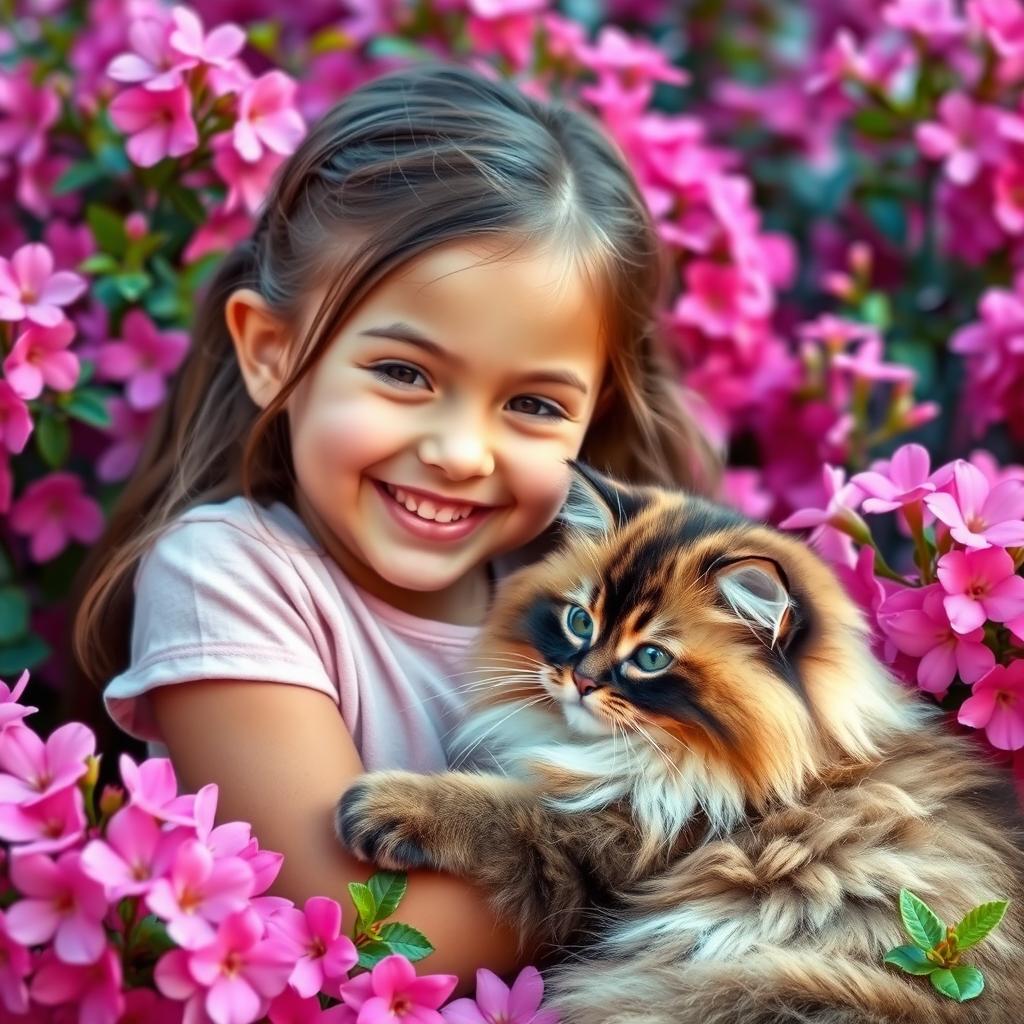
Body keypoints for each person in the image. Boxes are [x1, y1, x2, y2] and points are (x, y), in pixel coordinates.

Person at [69, 61, 720, 987]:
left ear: (594, 415)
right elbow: (361, 928)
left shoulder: (574, 608)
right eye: (405, 374)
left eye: (534, 404)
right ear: (272, 352)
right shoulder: (227, 575)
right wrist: (680, 861)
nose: (461, 452)